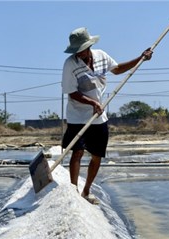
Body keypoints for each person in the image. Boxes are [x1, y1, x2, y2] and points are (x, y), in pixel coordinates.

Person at [62, 27, 153, 203]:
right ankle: (73, 193)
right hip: (77, 115)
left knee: (97, 155)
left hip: (98, 116)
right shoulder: (70, 64)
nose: (79, 54)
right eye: (76, 51)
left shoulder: (101, 55)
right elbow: (71, 92)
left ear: (89, 47)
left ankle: (86, 191)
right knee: (77, 152)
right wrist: (92, 103)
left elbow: (117, 69)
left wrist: (141, 58)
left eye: (81, 50)